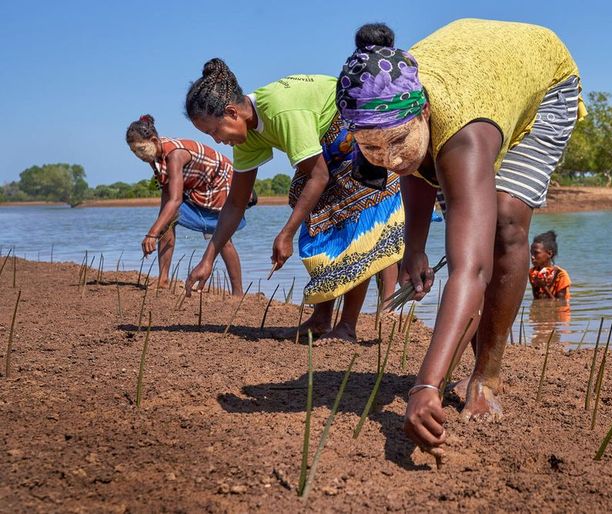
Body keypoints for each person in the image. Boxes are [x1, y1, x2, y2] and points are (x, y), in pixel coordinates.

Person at [336, 20, 586, 453]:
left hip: (543, 78)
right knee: (443, 187)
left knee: (504, 222)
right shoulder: (380, 105)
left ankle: (487, 373)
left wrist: (425, 386)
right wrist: (413, 248)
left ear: (425, 112)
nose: (388, 158)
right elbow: (414, 162)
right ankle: (459, 360)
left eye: (396, 139)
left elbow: (471, 269)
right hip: (472, 77)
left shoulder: (462, 134)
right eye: (371, 147)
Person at [183, 58, 404, 342]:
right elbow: (236, 202)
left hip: (351, 130)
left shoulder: (280, 110)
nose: (215, 140)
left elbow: (319, 176)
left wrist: (286, 233)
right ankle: (322, 319)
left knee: (354, 225)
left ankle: (346, 326)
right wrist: (208, 259)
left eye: (214, 131)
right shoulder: (246, 136)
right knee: (314, 215)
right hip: (325, 147)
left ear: (232, 112)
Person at [125, 114, 246, 295]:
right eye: (134, 152)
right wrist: (160, 225)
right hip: (198, 187)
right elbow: (168, 195)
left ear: (154, 140)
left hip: (220, 184)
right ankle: (163, 279)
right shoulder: (155, 158)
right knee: (167, 221)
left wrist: (152, 233)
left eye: (141, 149)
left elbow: (175, 200)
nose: (139, 155)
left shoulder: (175, 155)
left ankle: (238, 293)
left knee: (222, 236)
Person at [528, 230, 571, 300]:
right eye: (531, 253)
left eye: (536, 253)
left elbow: (560, 303)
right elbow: (536, 299)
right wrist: (536, 286)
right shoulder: (533, 272)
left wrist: (543, 287)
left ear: (549, 254)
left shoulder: (561, 275)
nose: (532, 257)